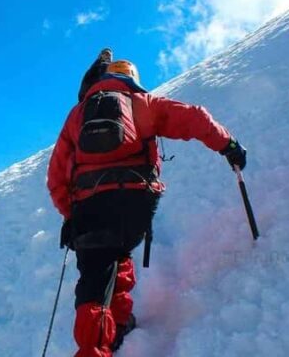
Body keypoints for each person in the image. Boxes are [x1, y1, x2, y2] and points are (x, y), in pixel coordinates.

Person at [47, 54, 246, 357]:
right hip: (135, 203)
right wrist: (228, 145)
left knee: (95, 279)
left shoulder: (78, 114)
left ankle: (95, 348)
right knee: (119, 254)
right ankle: (121, 322)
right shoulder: (143, 103)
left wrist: (70, 213)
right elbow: (195, 118)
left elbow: (56, 174)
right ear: (133, 78)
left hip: (88, 207)